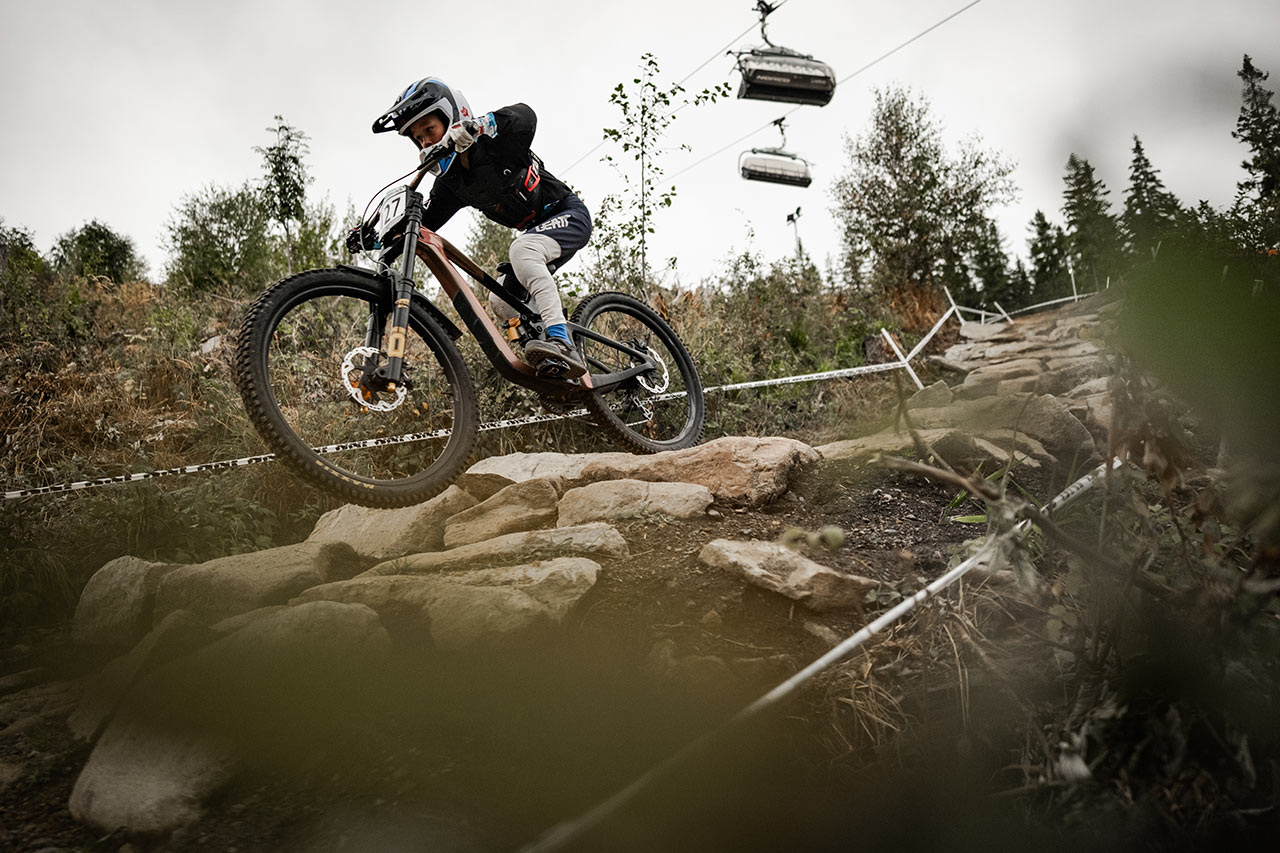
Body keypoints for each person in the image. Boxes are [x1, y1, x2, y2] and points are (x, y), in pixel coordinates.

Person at [355, 77, 591, 378]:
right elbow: (425, 224)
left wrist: (480, 126)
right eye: (418, 137)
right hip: (535, 233)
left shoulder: (498, 145)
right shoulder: (451, 185)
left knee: (523, 250)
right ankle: (550, 362)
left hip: (568, 214)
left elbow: (525, 116)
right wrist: (374, 237)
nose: (425, 141)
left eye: (429, 129)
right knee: (501, 302)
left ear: (452, 117)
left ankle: (561, 342)